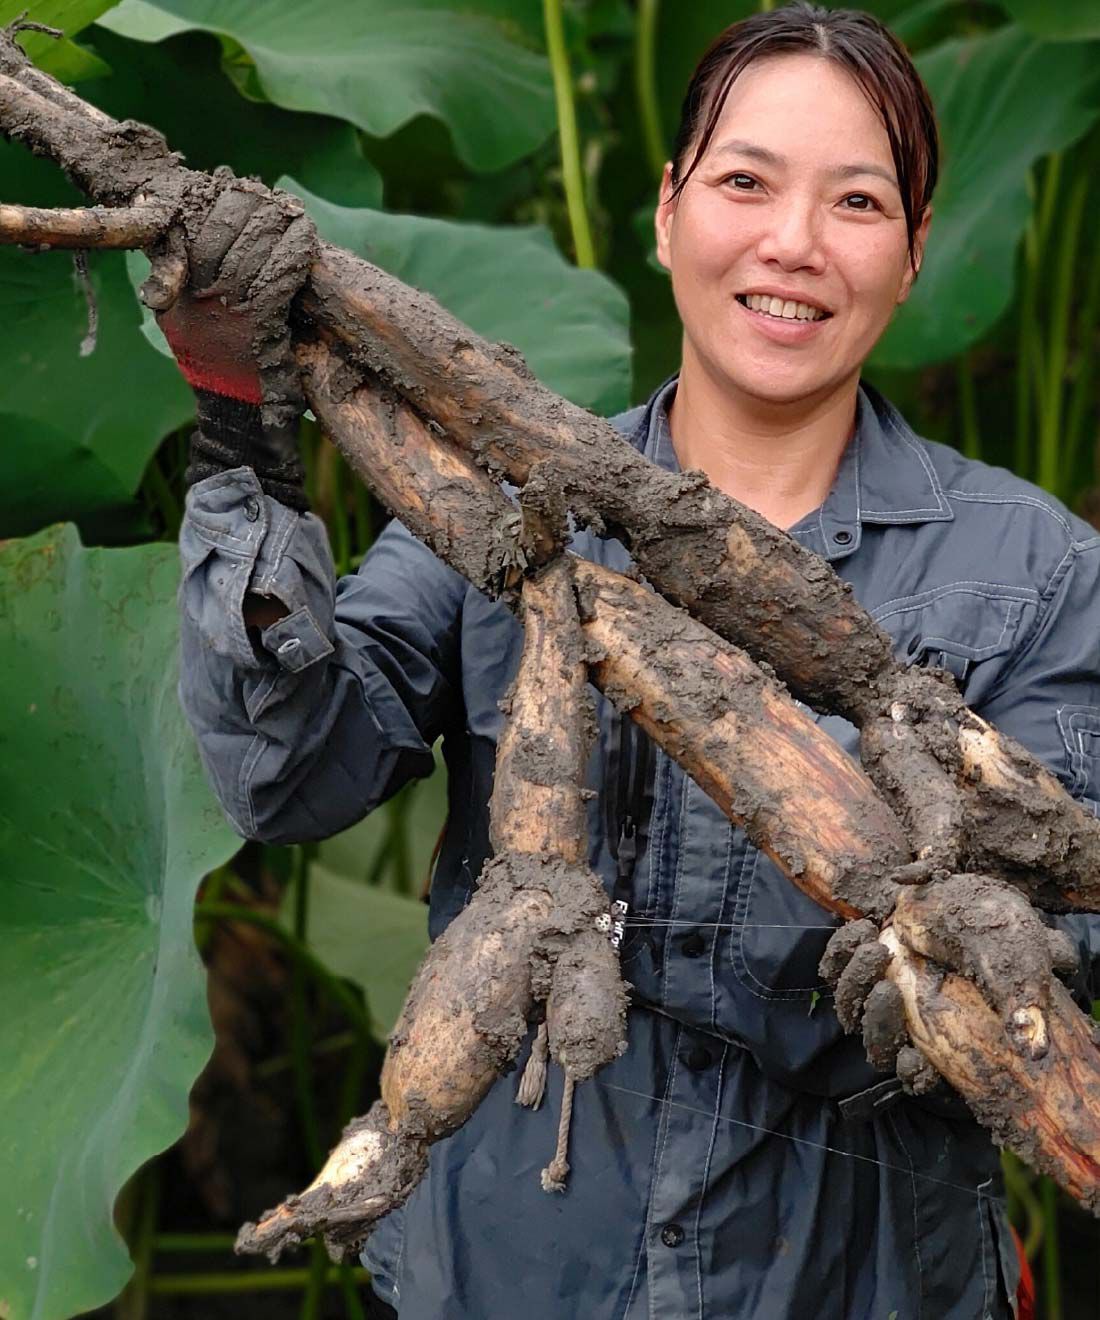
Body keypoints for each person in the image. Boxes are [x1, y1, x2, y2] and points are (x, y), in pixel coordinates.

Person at [172, 4, 1099, 1316]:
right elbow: (288, 776)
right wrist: (238, 439)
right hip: (499, 1281)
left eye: (857, 202)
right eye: (744, 183)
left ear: (913, 253)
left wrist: (946, 962)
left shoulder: (1039, 573)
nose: (792, 243)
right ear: (666, 214)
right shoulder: (499, 502)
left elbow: (1059, 930)